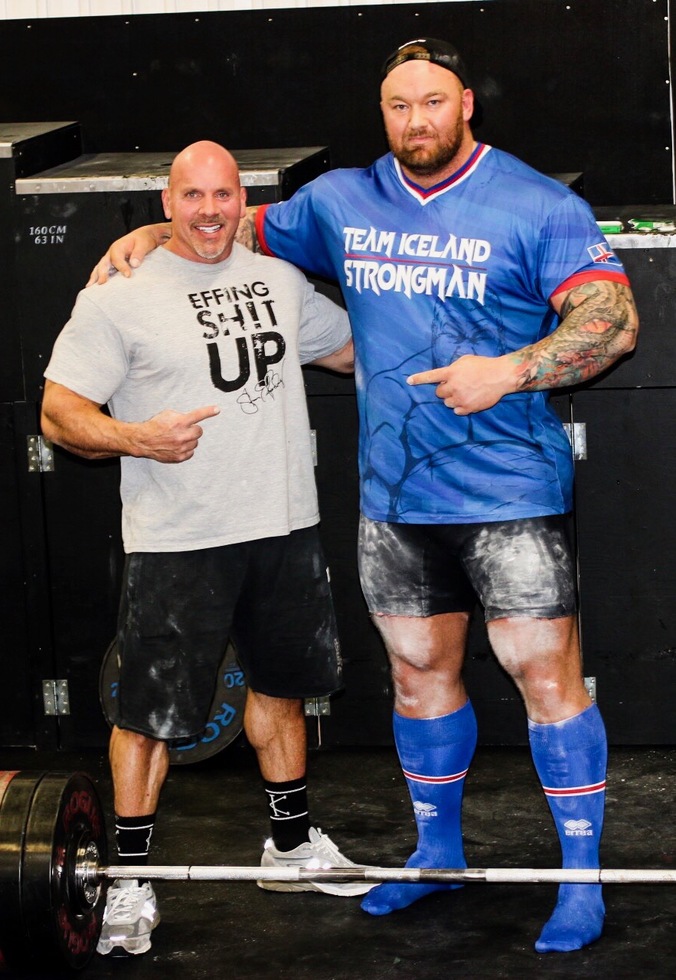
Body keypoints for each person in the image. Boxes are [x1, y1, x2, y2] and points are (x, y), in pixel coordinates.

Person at [89, 39, 640, 954]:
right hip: (397, 500)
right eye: (398, 106)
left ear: (467, 104)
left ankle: (580, 880)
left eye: (433, 101)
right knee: (419, 678)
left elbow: (612, 322)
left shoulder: (538, 204)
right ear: (382, 113)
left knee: (547, 679)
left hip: (509, 491)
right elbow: (228, 224)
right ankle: (436, 856)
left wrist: (511, 369)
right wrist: (154, 235)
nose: (416, 121)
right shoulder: (340, 201)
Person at [41, 140, 375, 959]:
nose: (209, 211)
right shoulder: (120, 294)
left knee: (282, 691)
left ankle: (290, 849)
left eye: (223, 195)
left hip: (283, 526)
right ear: (167, 202)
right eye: (192, 196)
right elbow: (57, 413)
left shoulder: (279, 281)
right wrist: (138, 438)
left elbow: (357, 352)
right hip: (180, 538)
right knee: (146, 718)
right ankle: (129, 880)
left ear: (242, 201)